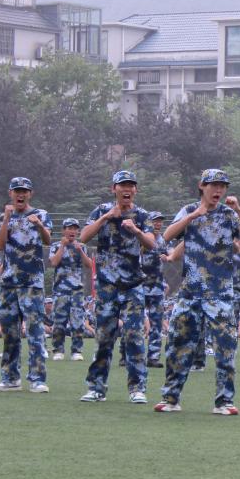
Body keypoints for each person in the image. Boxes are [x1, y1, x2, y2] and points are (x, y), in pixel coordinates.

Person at [156, 169, 240, 414]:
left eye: (223, 186)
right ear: (202, 186)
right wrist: (193, 216)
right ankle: (171, 398)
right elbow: (167, 236)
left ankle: (224, 402)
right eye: (214, 185)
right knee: (178, 344)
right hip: (190, 291)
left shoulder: (229, 214)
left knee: (225, 347)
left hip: (220, 292)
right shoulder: (188, 210)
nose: (219, 190)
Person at [76, 171, 157, 403]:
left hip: (133, 285)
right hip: (106, 285)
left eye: (131, 186)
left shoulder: (142, 215)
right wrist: (105, 218)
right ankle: (96, 388)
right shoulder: (101, 210)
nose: (127, 189)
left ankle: (137, 388)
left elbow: (152, 244)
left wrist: (136, 231)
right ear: (114, 189)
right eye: (122, 185)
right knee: (104, 337)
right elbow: (83, 237)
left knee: (134, 336)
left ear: (136, 190)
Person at [0, 177, 52, 393]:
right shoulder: (4, 217)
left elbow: (48, 241)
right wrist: (7, 219)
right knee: (10, 332)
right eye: (17, 190)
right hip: (9, 282)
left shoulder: (41, 214)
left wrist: (39, 225)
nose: (20, 194)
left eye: (24, 191)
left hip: (32, 282)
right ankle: (10, 378)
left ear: (30, 194)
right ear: (10, 193)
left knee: (35, 331)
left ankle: (37, 379)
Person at [48, 218, 91, 362]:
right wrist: (62, 246)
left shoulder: (82, 246)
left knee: (78, 321)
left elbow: (89, 265)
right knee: (59, 321)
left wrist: (80, 251)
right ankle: (58, 350)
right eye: (69, 228)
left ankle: (76, 351)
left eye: (75, 228)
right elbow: (54, 262)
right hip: (60, 289)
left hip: (77, 290)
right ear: (63, 230)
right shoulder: (56, 246)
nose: (72, 231)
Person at [140, 211, 170, 367]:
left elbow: (169, 254)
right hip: (139, 285)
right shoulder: (141, 237)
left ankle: (153, 357)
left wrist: (167, 257)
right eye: (154, 221)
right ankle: (128, 354)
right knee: (134, 321)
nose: (158, 224)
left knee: (156, 322)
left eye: (160, 221)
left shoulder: (162, 240)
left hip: (157, 286)